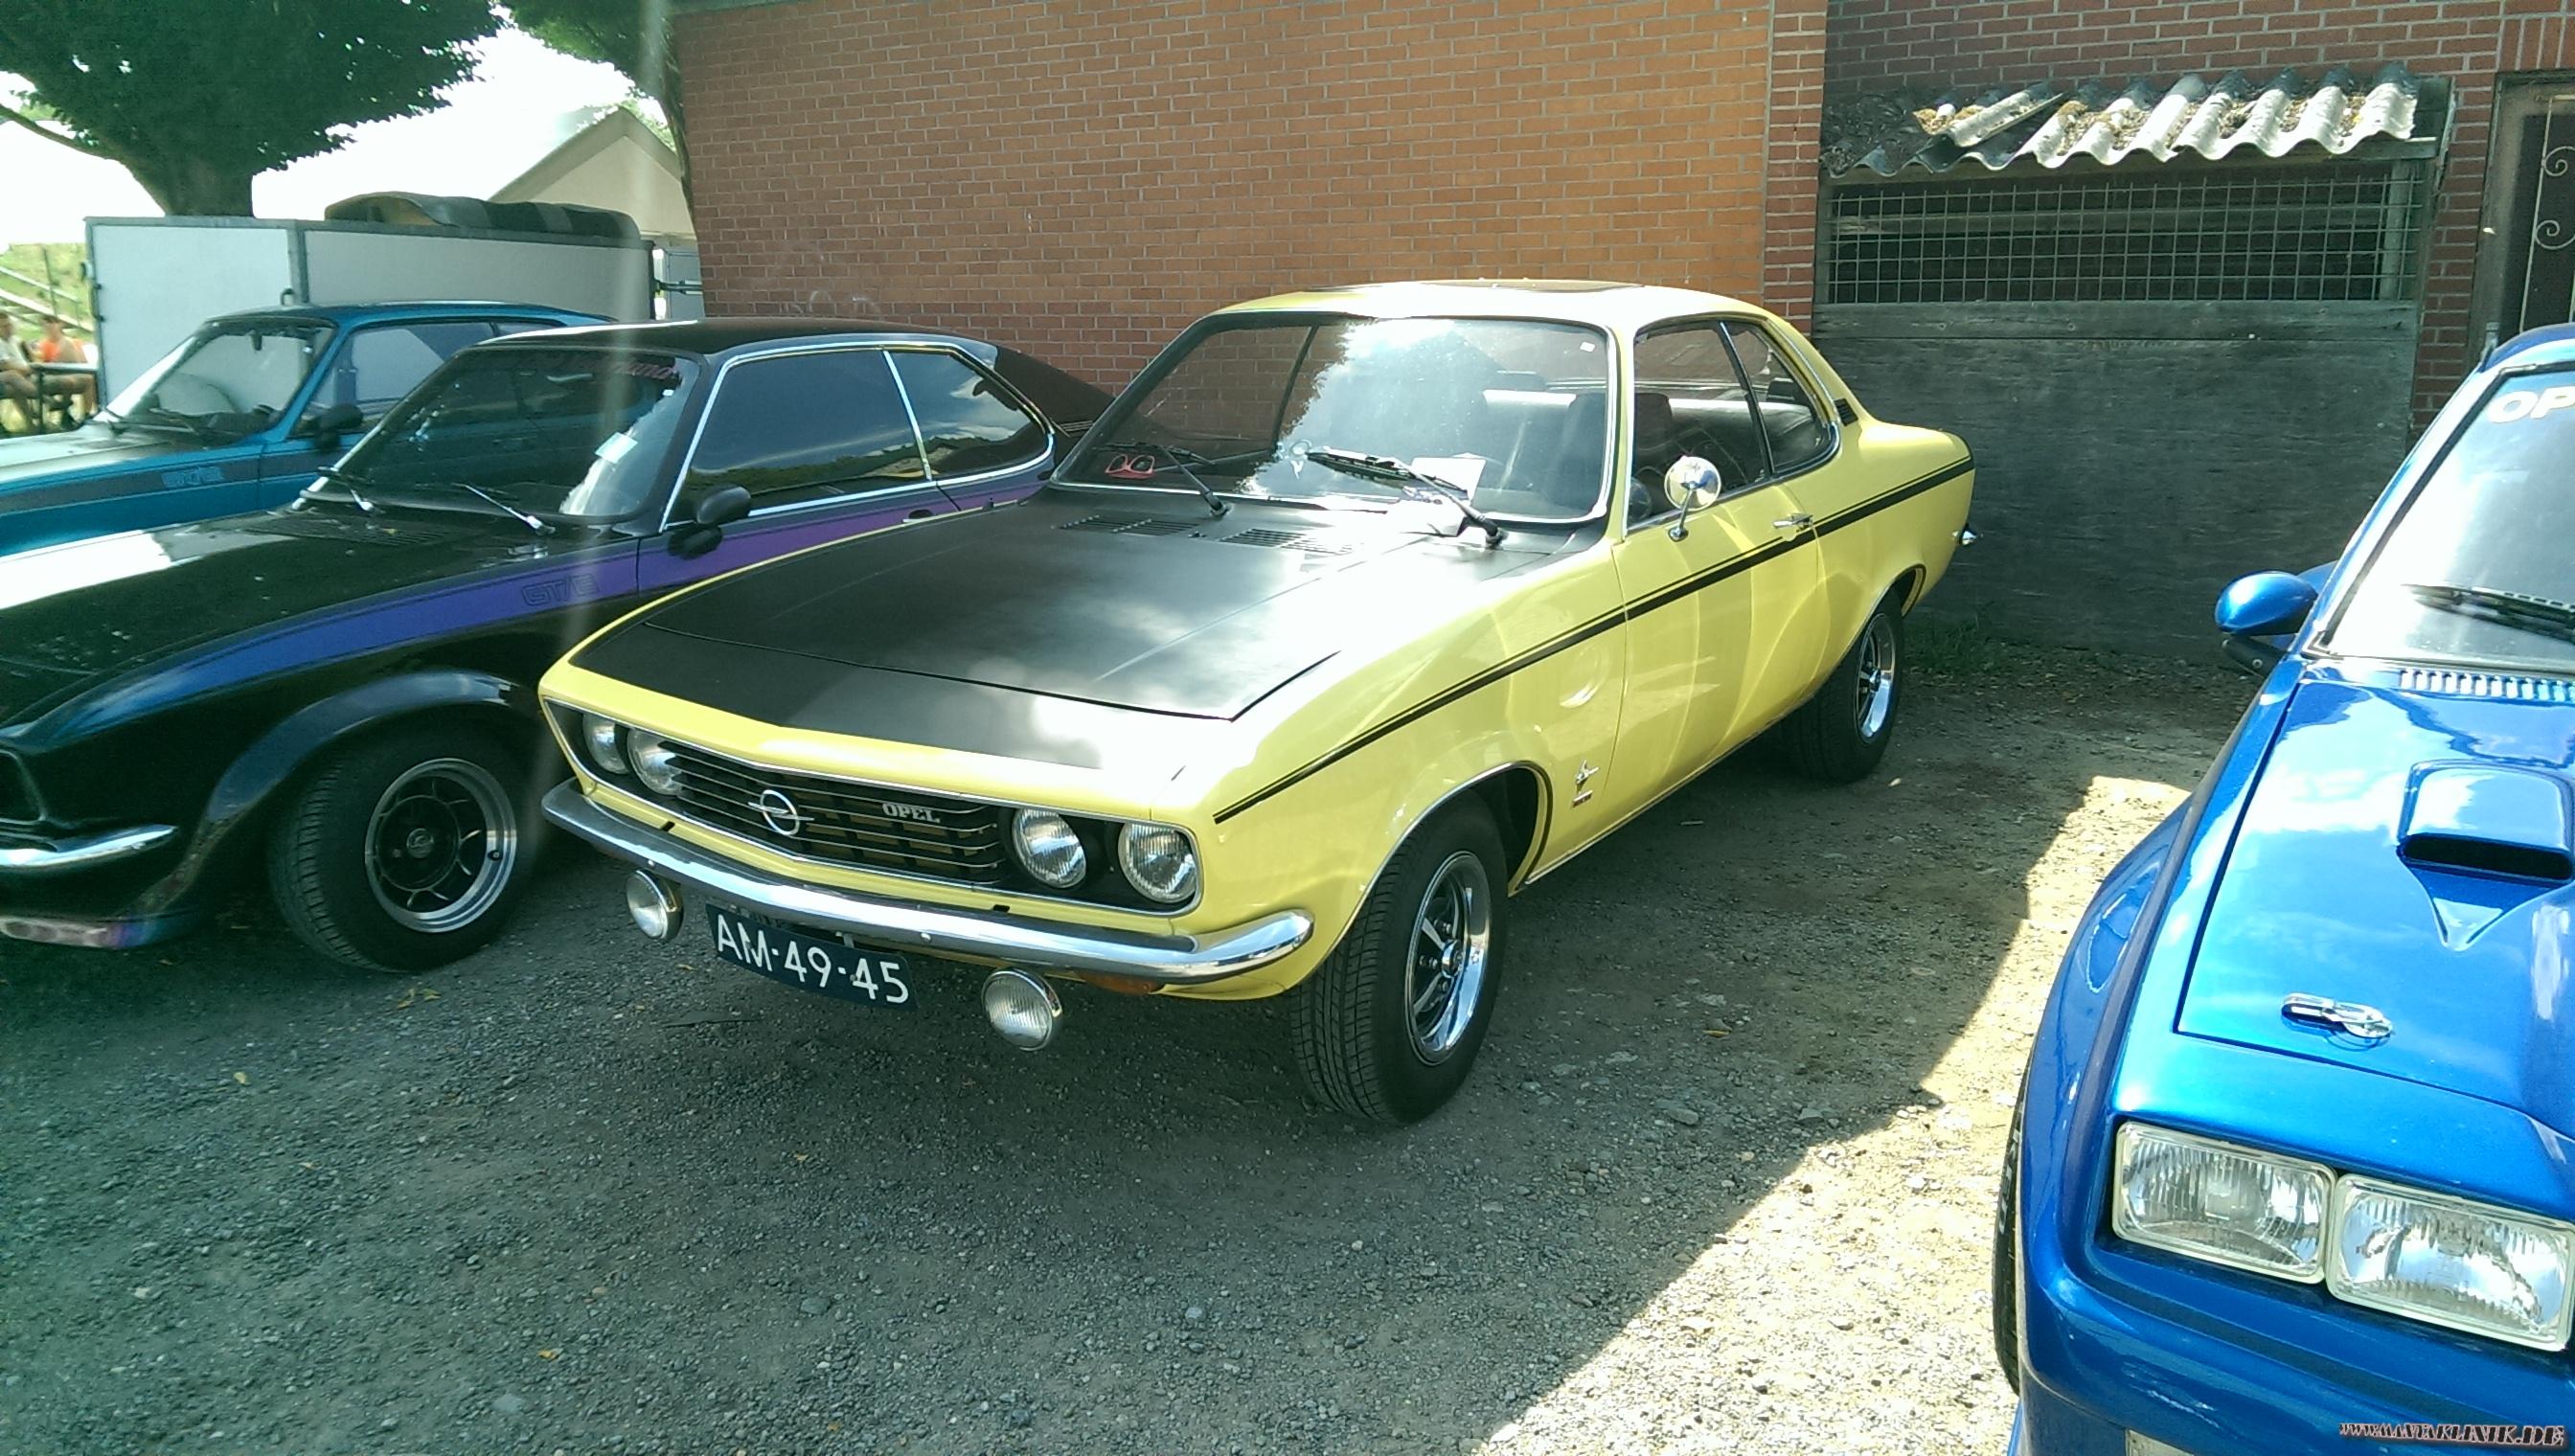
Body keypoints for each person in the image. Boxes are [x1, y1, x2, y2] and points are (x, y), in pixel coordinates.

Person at [33, 317, 96, 417]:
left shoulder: (73, 342)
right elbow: (41, 363)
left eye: (52, 323)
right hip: (54, 374)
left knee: (90, 379)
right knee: (68, 381)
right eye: (45, 325)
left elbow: (84, 363)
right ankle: (65, 412)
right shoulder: (44, 345)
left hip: (74, 372)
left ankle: (87, 414)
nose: (49, 327)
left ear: (60, 325)